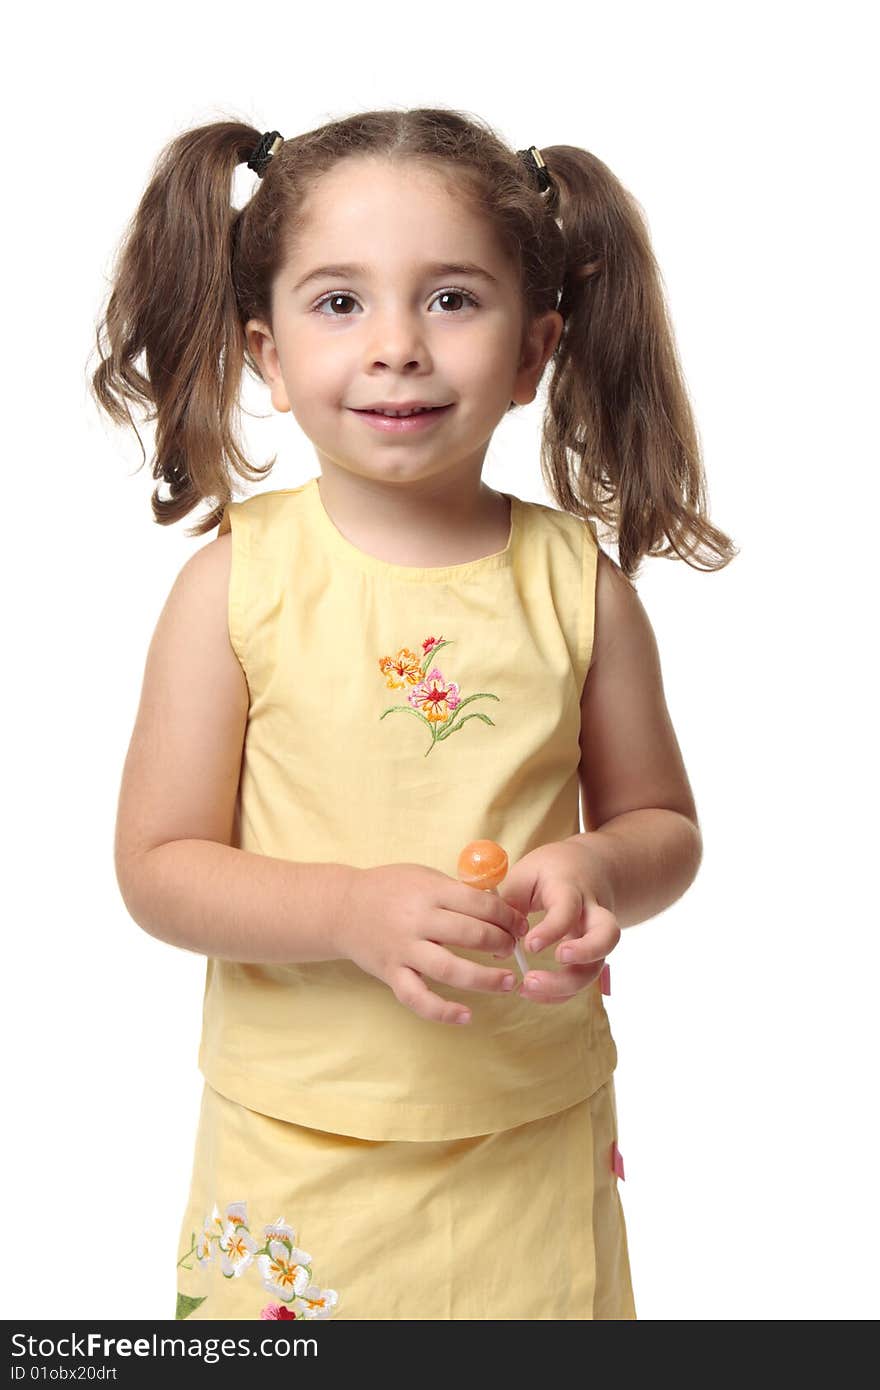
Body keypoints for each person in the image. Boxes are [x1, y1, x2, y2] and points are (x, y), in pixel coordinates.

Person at [91, 107, 736, 1321]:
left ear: (536, 349)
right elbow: (158, 867)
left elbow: (663, 823)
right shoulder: (236, 583)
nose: (396, 346)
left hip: (526, 1130)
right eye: (339, 303)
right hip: (300, 1143)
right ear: (265, 355)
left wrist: (598, 862)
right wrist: (345, 906)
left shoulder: (572, 583)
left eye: (450, 299)